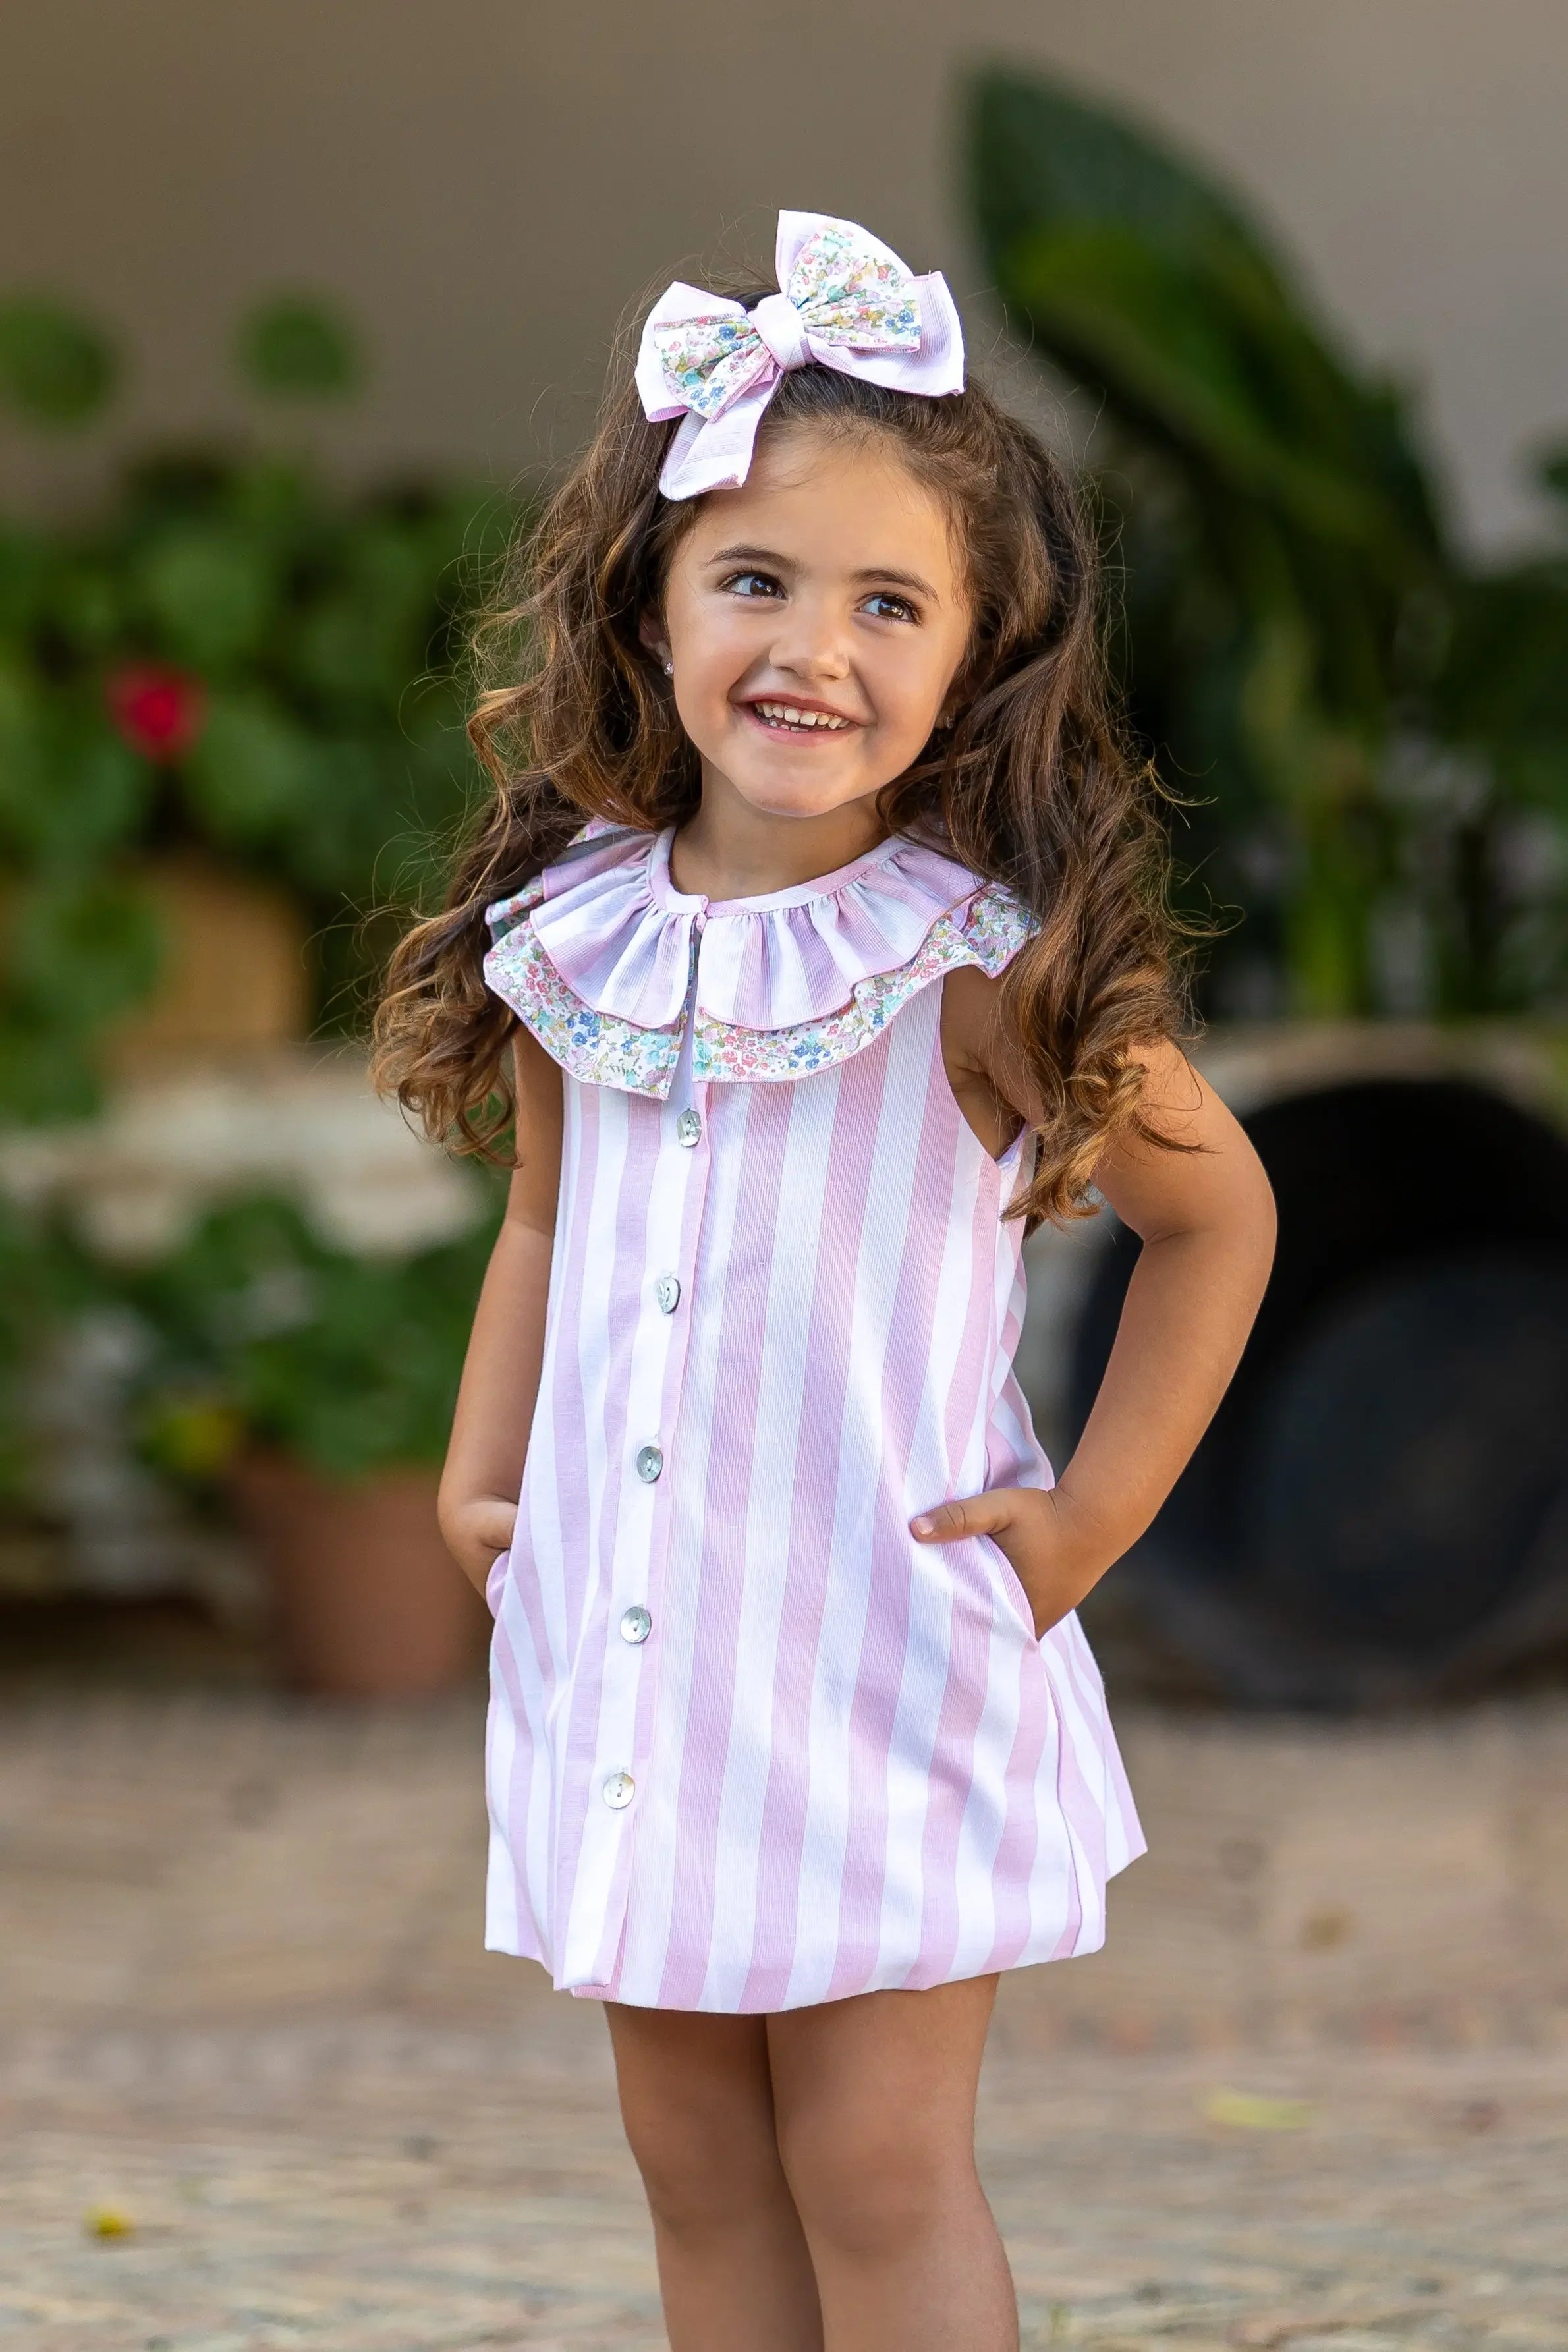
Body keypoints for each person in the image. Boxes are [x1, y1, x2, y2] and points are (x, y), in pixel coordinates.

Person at [374, 211, 1275, 2352]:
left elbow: (1213, 1215)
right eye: (755, 579)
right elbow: (541, 1221)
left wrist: (1089, 1522)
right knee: (692, 2161)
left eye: (890, 601)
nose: (813, 645)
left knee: (871, 2165)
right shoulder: (570, 940)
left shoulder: (978, 961)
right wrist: (476, 1474)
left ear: (974, 656)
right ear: (654, 599)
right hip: (634, 1636)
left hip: (873, 1650)